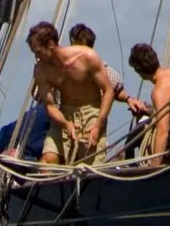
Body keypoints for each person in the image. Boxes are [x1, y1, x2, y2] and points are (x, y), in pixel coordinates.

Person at [27, 20, 116, 167]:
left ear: (51, 44)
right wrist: (65, 123)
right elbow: (50, 106)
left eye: (38, 52)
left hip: (92, 113)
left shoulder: (87, 57)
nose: (36, 57)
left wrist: (98, 126)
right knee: (47, 162)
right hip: (64, 113)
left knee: (87, 169)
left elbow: (108, 91)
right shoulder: (41, 70)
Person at [68, 23, 147, 121]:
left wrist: (129, 99)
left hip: (92, 123)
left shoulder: (105, 72)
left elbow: (116, 90)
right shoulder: (62, 68)